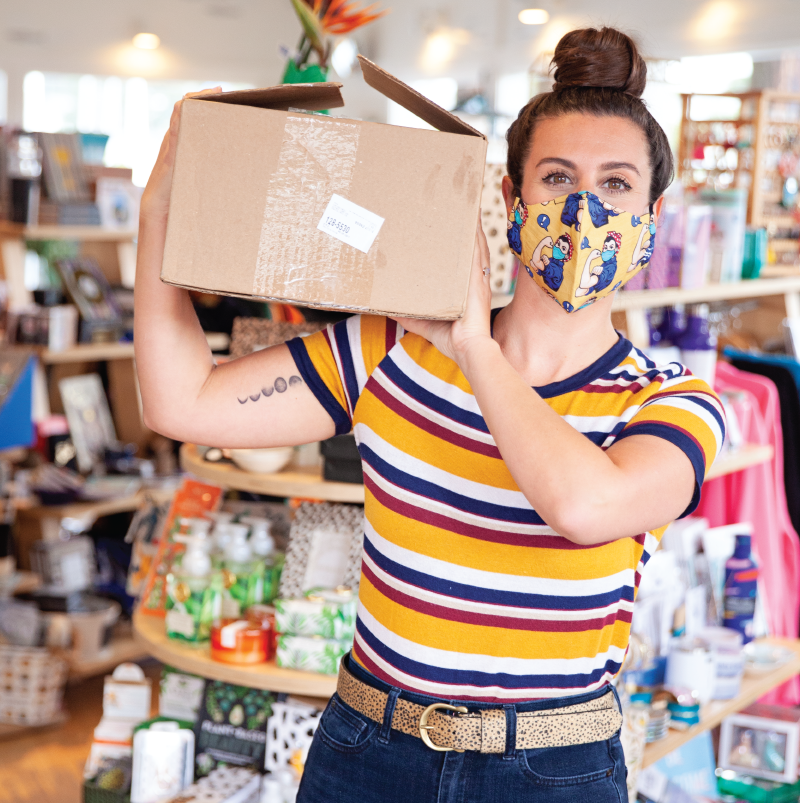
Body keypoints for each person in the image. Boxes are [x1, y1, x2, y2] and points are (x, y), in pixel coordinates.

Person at [135, 25, 725, 803]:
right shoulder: (390, 348)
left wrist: (475, 348)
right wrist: (158, 214)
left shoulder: (674, 400)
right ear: (512, 200)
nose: (585, 209)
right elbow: (182, 401)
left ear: (652, 217)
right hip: (368, 751)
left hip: (552, 770)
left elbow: (585, 506)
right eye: (557, 177)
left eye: (616, 184)